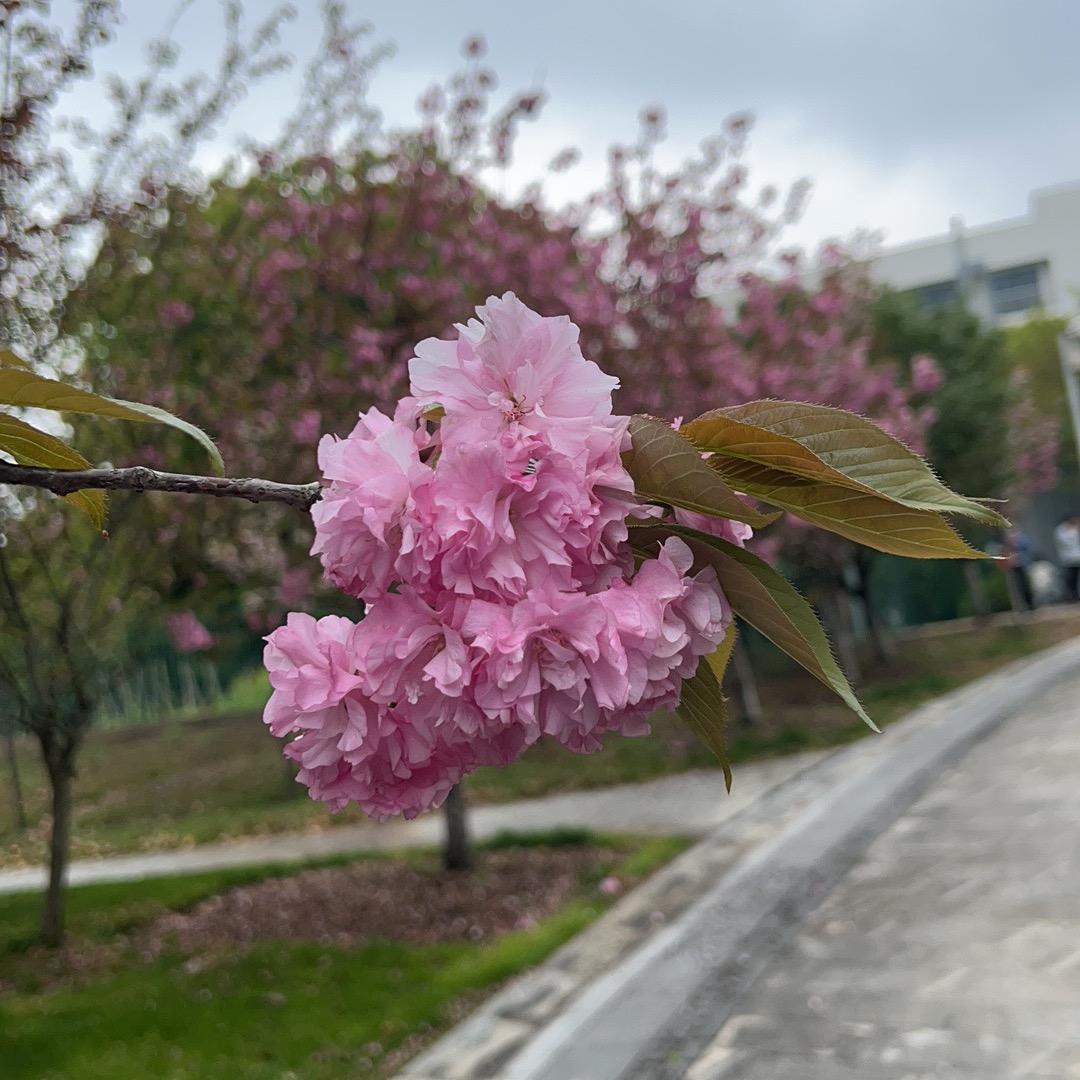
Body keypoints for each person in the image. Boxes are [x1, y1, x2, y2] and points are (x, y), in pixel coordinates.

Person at [1003, 527, 1036, 610]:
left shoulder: (1022, 538)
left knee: (1025, 585)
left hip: (1022, 564)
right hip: (1013, 565)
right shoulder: (1006, 539)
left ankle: (1030, 604)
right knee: (1017, 586)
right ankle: (1020, 606)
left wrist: (1015, 543)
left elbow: (1027, 548)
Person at [1053, 514, 1080, 601]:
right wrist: (1074, 531)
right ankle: (1072, 595)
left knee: (1075, 578)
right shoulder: (1061, 530)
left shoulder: (1075, 529)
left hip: (1077, 558)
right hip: (1069, 559)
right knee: (1071, 579)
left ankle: (1075, 594)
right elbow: (1067, 542)